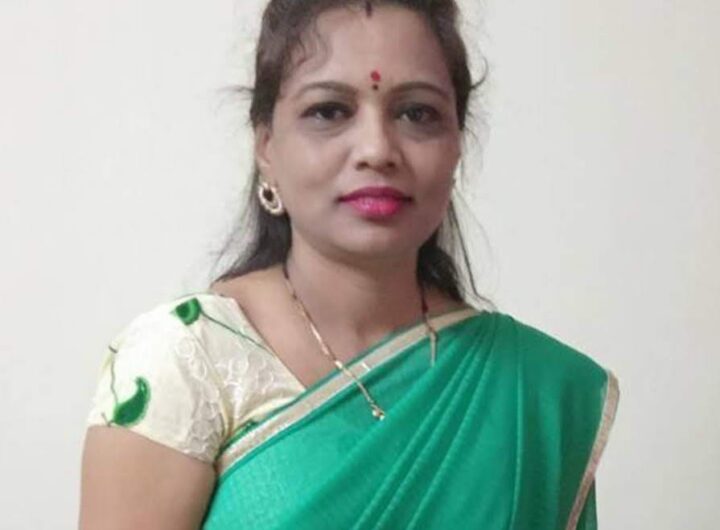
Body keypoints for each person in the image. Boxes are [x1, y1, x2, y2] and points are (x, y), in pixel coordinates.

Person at [79, 0, 620, 528]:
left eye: (417, 113)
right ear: (266, 146)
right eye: (329, 111)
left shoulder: (534, 395)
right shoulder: (187, 363)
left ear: (456, 146)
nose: (377, 149)